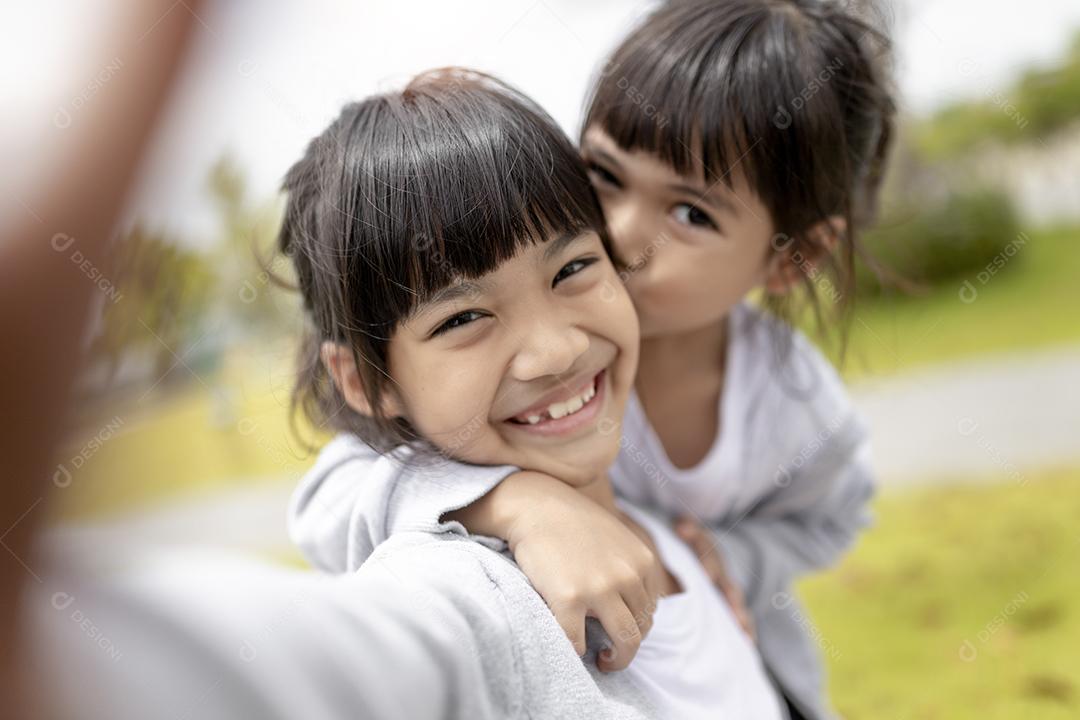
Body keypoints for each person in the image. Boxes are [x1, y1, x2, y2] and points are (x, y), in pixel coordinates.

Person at [289, 1, 895, 718]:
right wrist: (517, 504)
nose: (622, 233)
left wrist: (728, 559)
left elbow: (832, 517)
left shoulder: (792, 403)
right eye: (605, 176)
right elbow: (339, 502)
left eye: (692, 213)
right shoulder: (549, 349)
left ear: (795, 258)